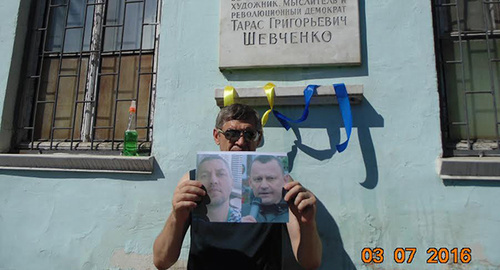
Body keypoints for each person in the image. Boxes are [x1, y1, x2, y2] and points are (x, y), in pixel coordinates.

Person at [153, 104, 322, 270]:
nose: (241, 141)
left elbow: (310, 263)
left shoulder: (282, 183)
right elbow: (162, 261)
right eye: (231, 133)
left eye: (249, 134)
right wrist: (176, 215)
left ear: (259, 138)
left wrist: (308, 223)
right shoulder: (194, 181)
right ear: (216, 136)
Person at [195, 156, 241, 222]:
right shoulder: (191, 219)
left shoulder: (245, 221)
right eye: (204, 175)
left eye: (221, 174)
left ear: (232, 182)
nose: (213, 181)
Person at [244, 155, 289, 223]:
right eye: (258, 179)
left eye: (270, 178)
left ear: (285, 180)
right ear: (250, 183)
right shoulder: (241, 214)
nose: (264, 186)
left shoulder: (295, 214)